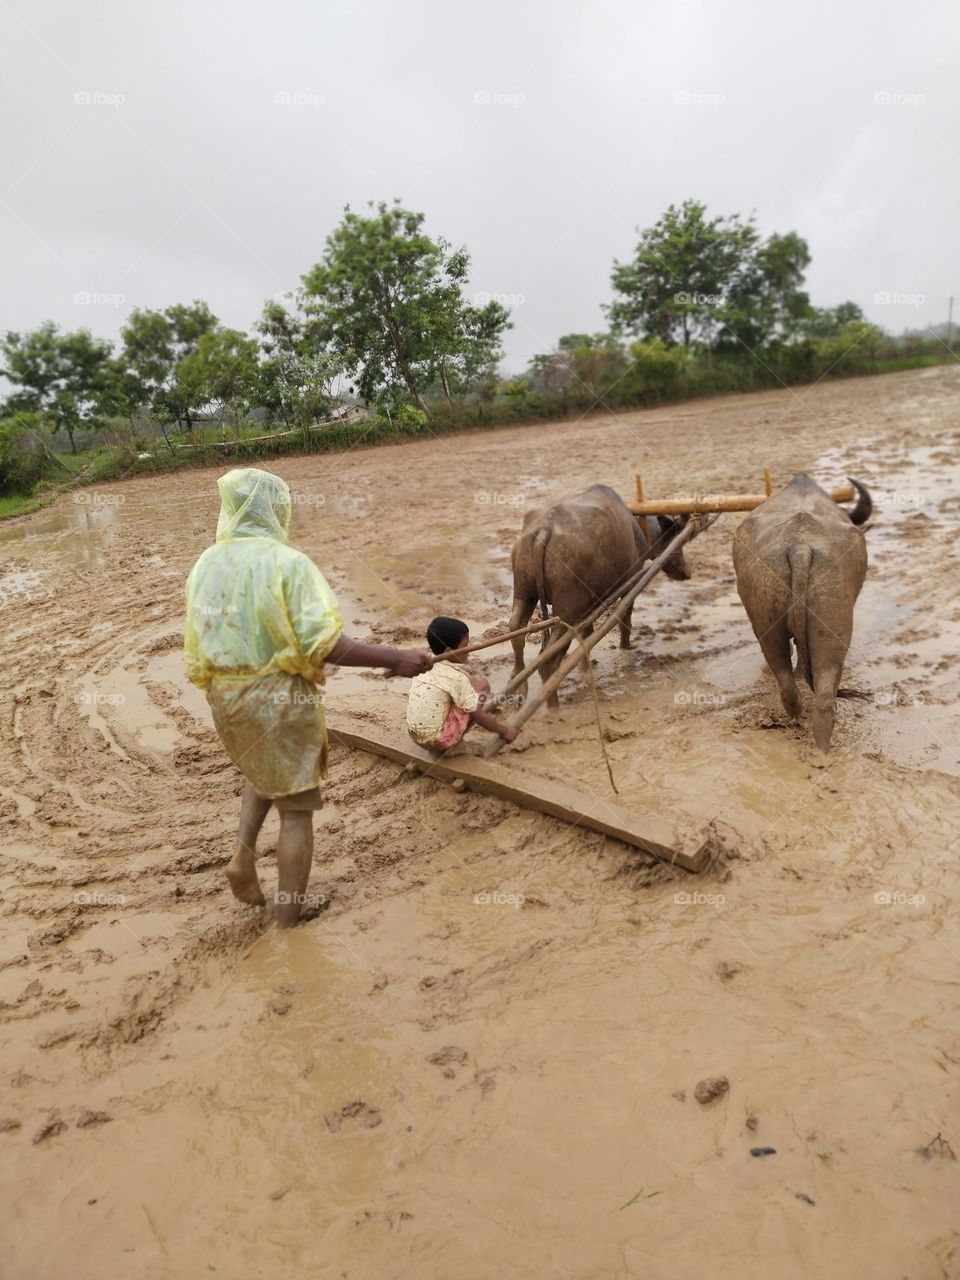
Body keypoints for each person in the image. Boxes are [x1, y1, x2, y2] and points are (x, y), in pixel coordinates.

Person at [184, 467, 432, 927]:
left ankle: (242, 858)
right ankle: (288, 921)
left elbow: (199, 642)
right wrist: (394, 658)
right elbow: (324, 645)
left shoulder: (205, 563)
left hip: (225, 695)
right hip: (278, 697)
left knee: (262, 768)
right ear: (276, 509)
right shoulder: (288, 564)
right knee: (297, 809)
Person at [406, 615, 517, 752]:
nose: (469, 649)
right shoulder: (457, 679)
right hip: (437, 742)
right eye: (465, 646)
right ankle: (454, 745)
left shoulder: (425, 663)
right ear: (448, 652)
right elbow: (478, 716)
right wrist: (505, 731)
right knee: (482, 685)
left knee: (467, 687)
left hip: (415, 735)